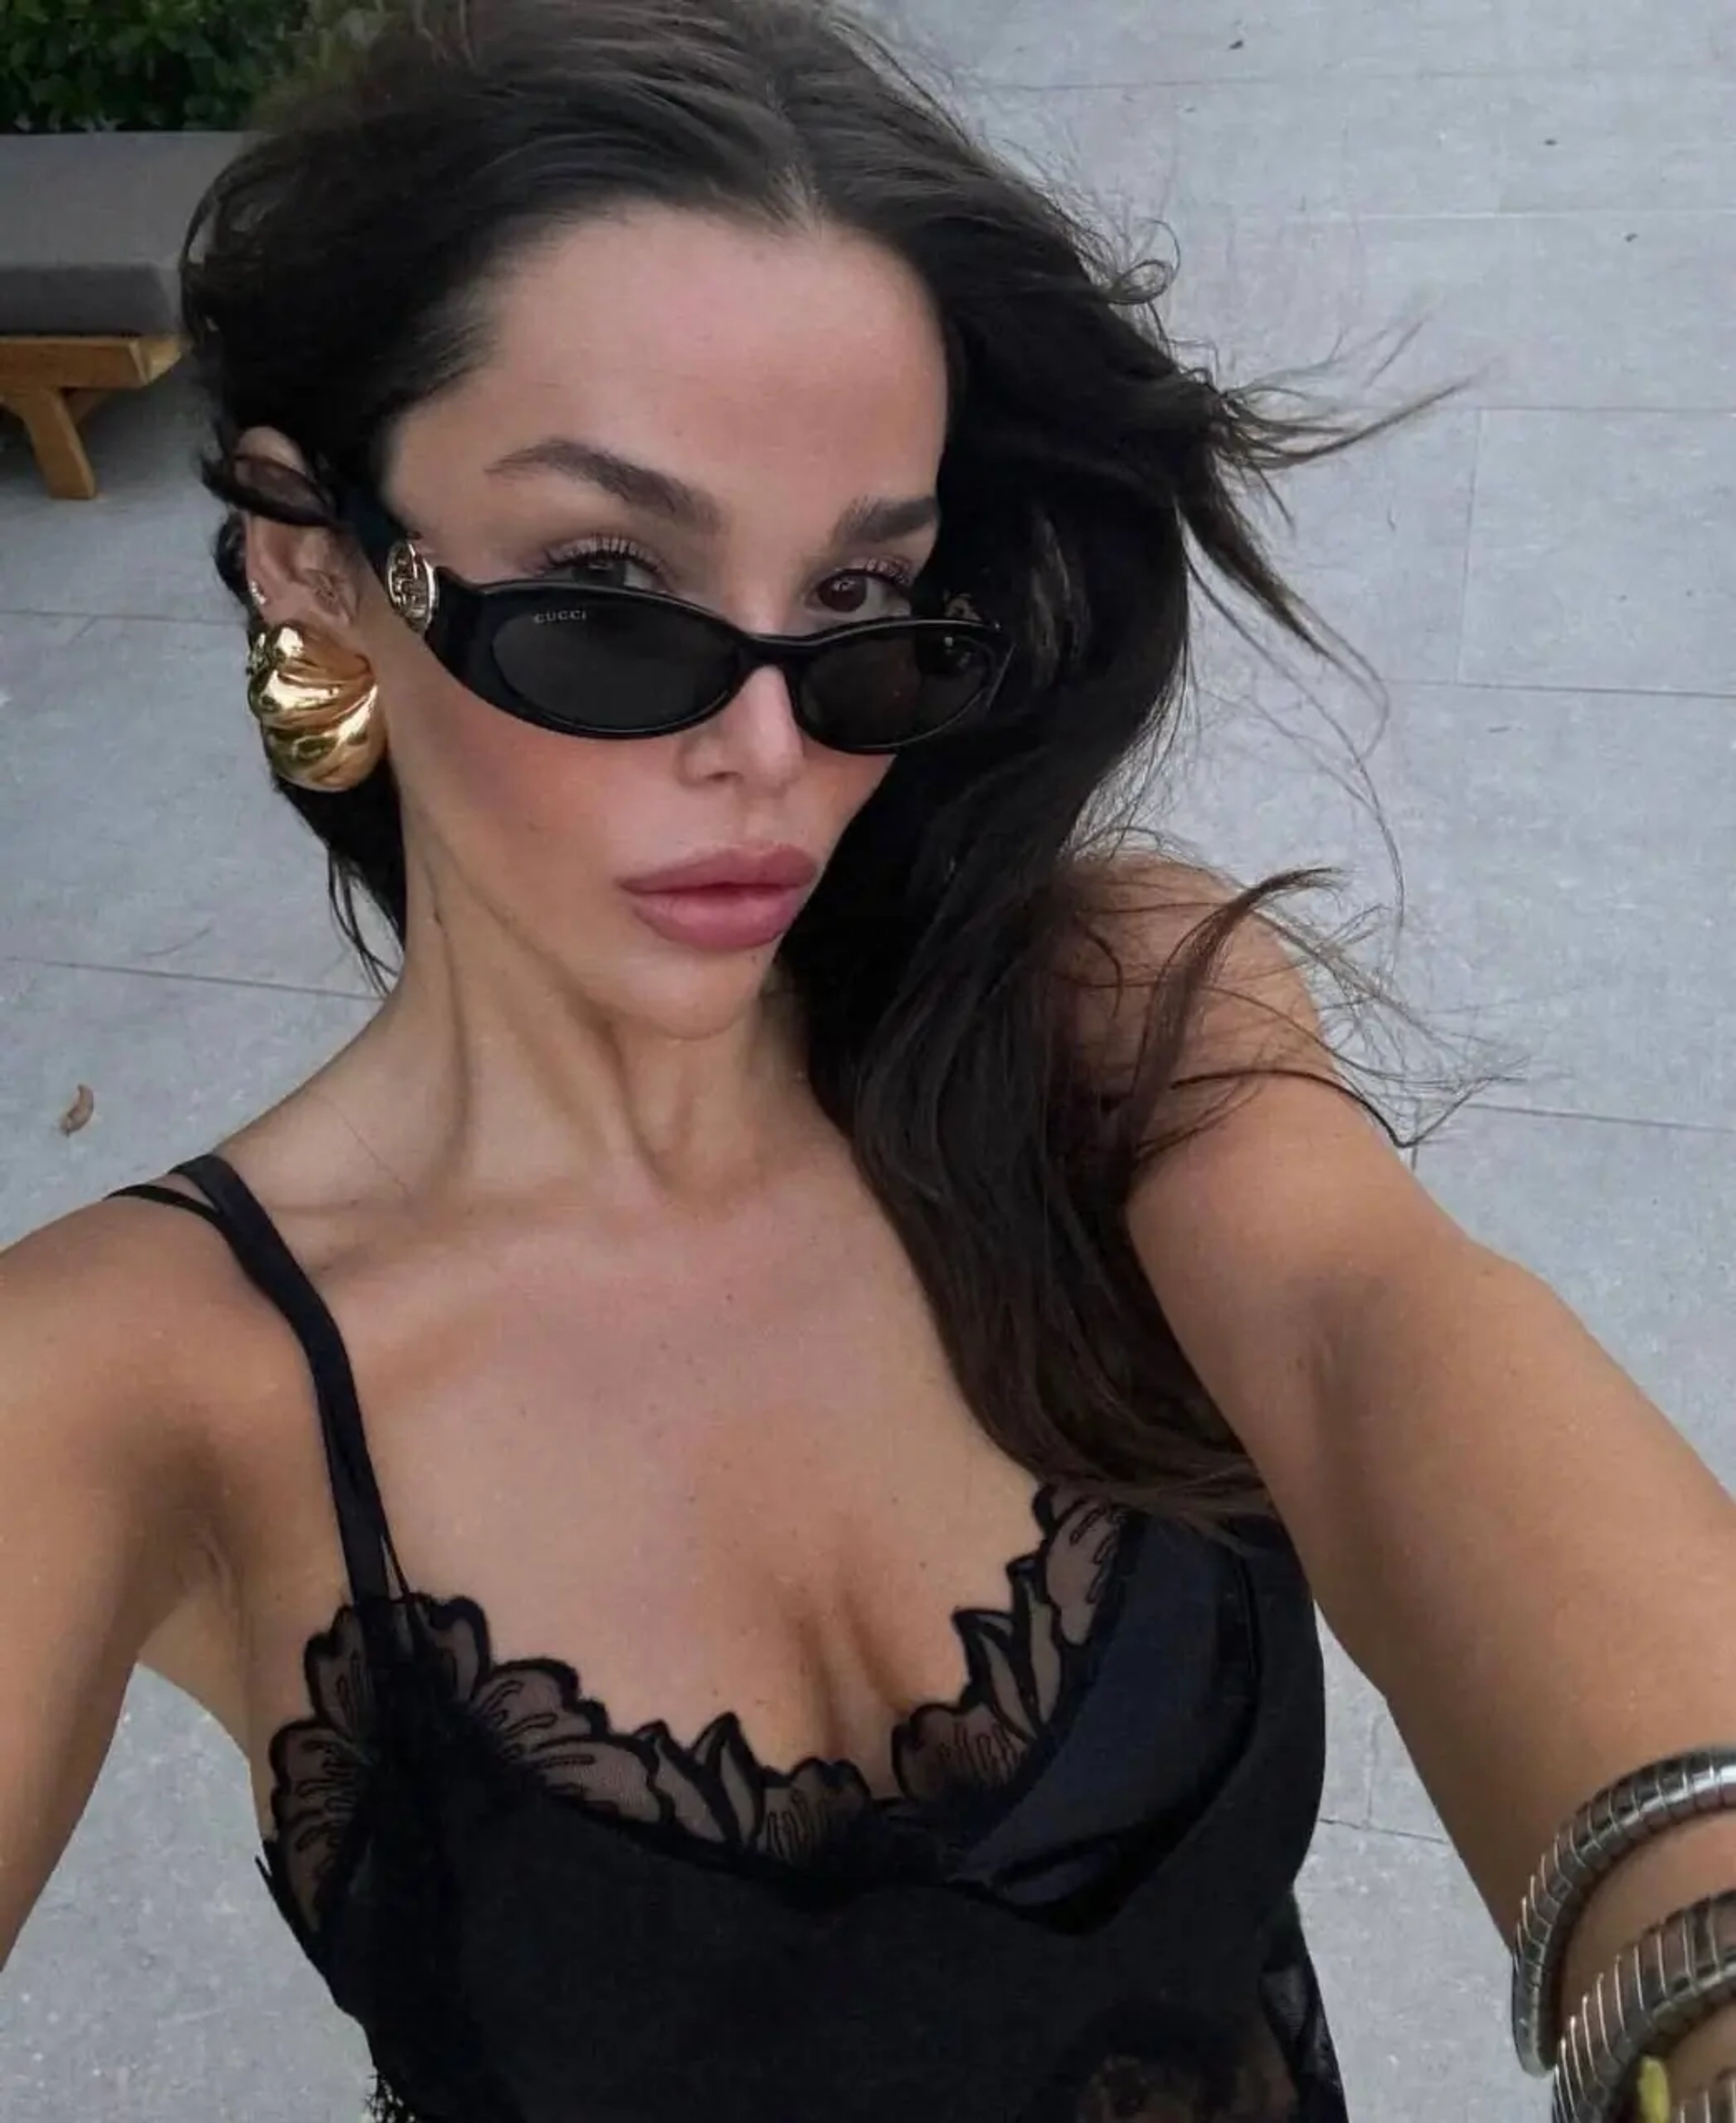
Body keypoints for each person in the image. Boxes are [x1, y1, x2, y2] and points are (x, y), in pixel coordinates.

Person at [1, 2, 1731, 2119]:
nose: (768, 747)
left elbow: (1371, 1340)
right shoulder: (125, 1382)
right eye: (609, 586)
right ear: (313, 560)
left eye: (857, 599)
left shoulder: (1088, 1013)